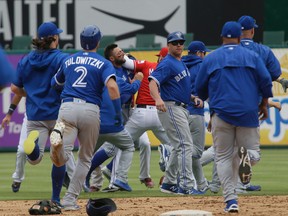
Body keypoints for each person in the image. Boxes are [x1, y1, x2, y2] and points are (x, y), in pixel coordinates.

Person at [195, 21, 273, 213]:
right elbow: (266, 82)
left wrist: (211, 102)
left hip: (221, 113)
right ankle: (246, 158)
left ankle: (231, 201)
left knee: (222, 158)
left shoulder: (211, 59)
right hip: (248, 112)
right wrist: (263, 104)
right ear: (239, 37)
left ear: (222, 37)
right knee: (252, 154)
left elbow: (199, 90)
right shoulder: (253, 56)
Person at [49, 24, 121, 210]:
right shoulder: (103, 63)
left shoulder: (69, 60)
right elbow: (112, 88)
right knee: (85, 158)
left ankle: (59, 149)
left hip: (68, 107)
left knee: (63, 156)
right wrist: (117, 111)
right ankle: (69, 200)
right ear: (98, 42)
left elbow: (54, 83)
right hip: (90, 110)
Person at [10, 21, 70, 206]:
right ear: (54, 38)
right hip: (58, 116)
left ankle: (32, 148)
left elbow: (15, 88)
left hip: (35, 115)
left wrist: (35, 94)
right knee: (58, 158)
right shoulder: (61, 58)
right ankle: (56, 198)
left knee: (35, 160)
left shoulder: (26, 59)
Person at [149, 31, 202, 195]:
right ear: (169, 45)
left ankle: (169, 183)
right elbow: (152, 81)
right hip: (171, 107)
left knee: (178, 146)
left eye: (181, 42)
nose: (179, 45)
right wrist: (157, 99)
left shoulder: (180, 62)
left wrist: (192, 97)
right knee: (185, 145)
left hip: (181, 106)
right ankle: (186, 186)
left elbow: (178, 87)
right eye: (175, 42)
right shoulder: (167, 63)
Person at [120, 47, 171, 188]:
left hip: (141, 112)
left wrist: (120, 54)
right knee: (176, 146)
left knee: (121, 142)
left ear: (161, 57)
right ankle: (171, 177)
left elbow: (127, 63)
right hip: (160, 113)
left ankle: (119, 178)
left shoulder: (148, 65)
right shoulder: (172, 70)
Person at [181, 41, 210, 192]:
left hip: (181, 111)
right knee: (196, 151)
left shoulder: (180, 64)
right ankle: (173, 155)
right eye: (204, 53)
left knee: (191, 152)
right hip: (196, 111)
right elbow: (209, 89)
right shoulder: (202, 66)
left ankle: (202, 184)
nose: (204, 56)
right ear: (199, 53)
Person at [237, 15, 288, 92]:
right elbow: (274, 73)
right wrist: (280, 79)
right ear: (252, 31)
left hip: (234, 97)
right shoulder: (264, 50)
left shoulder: (228, 51)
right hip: (257, 98)